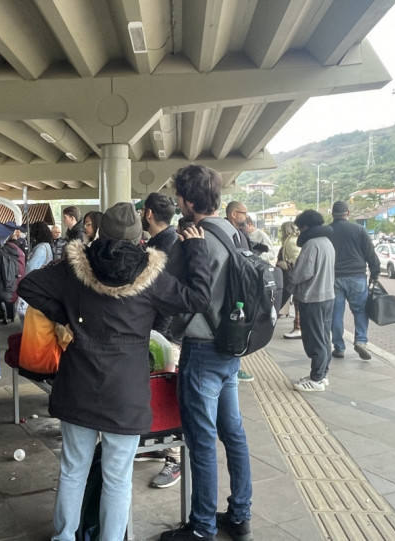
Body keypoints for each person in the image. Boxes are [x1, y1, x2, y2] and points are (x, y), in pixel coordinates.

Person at [18, 202, 211, 541]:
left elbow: (28, 287)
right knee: (117, 477)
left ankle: (64, 537)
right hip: (126, 391)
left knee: (73, 470)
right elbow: (198, 298)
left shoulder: (73, 269)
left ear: (100, 231)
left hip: (78, 382)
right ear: (139, 237)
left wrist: (65, 317)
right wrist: (196, 250)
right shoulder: (151, 277)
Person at [160, 165, 253, 541]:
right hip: (232, 347)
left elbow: (177, 299)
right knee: (234, 433)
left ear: (188, 201)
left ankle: (201, 528)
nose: (179, 203)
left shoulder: (193, 239)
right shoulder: (236, 233)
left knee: (200, 442)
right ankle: (240, 514)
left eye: (180, 197)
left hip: (202, 350)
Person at [140, 192, 182, 490]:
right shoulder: (166, 240)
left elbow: (166, 295)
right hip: (159, 328)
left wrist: (159, 334)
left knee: (164, 389)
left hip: (162, 330)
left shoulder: (166, 245)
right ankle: (160, 445)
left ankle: (175, 458)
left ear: (148, 213)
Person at [288, 210, 336, 392]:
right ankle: (322, 374)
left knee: (314, 339)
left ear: (306, 227)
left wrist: (291, 273)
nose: (299, 232)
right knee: (324, 337)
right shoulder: (327, 243)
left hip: (313, 298)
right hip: (327, 296)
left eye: (300, 228)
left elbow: (302, 273)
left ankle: (316, 379)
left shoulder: (311, 244)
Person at [329, 201, 380, 361]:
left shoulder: (327, 231)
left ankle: (339, 347)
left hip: (334, 278)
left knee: (336, 313)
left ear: (332, 214)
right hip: (357, 276)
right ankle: (361, 341)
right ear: (348, 213)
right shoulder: (359, 230)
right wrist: (375, 272)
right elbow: (370, 254)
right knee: (360, 311)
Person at [224, 201, 255, 383]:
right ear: (234, 214)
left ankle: (235, 364)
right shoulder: (230, 233)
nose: (246, 216)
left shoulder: (237, 233)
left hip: (240, 287)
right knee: (236, 329)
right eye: (243, 213)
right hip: (234, 289)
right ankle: (234, 366)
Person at [278, 221, 303, 339]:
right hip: (297, 275)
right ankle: (298, 327)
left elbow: (296, 258)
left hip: (294, 275)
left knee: (297, 301)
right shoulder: (294, 240)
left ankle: (298, 327)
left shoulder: (290, 241)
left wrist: (283, 264)